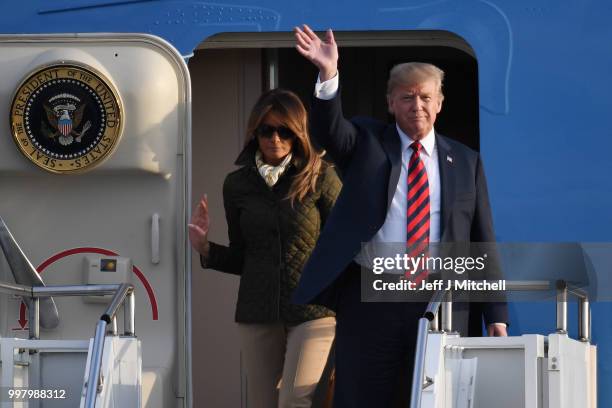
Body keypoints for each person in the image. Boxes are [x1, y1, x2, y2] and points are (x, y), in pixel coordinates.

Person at [292, 25, 509, 407]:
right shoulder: (367, 142)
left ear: (440, 102)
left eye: (426, 97)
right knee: (364, 396)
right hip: (372, 298)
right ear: (391, 103)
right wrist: (328, 76)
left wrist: (496, 313)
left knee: (434, 397)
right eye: (407, 97)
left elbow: (482, 241)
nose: (417, 105)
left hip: (438, 300)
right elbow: (330, 132)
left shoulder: (466, 162)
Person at [189, 88, 341, 408]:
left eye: (284, 130)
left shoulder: (321, 176)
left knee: (294, 400)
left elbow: (344, 242)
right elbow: (243, 254)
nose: (275, 138)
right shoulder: (237, 184)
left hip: (314, 310)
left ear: (298, 133)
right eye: (266, 130)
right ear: (255, 133)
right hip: (257, 311)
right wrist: (204, 248)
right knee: (264, 404)